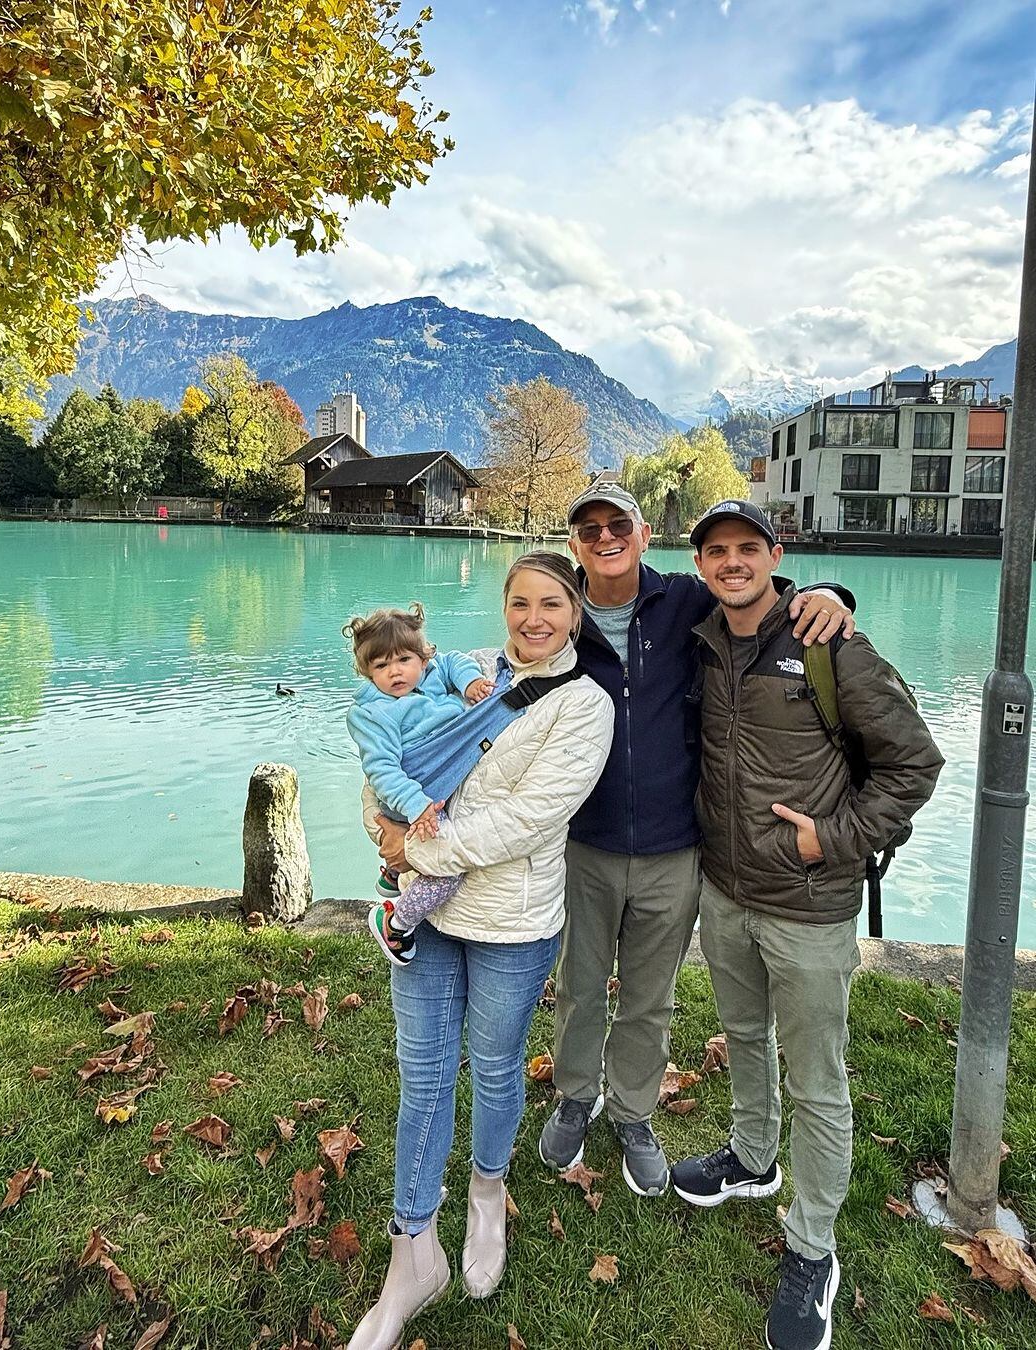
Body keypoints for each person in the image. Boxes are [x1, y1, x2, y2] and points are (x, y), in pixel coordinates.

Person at [669, 499, 943, 1350]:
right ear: (703, 565)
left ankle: (812, 1247)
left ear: (775, 555)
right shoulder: (703, 641)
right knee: (744, 1037)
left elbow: (914, 762)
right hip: (725, 890)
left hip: (811, 904)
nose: (733, 563)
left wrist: (836, 840)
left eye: (748, 548)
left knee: (818, 1082)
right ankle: (753, 1159)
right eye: (717, 552)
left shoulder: (830, 645)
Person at [539, 483, 855, 1198]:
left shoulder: (685, 602)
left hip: (676, 844)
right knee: (580, 985)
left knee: (650, 997)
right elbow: (509, 648)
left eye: (617, 523)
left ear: (644, 533)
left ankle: (633, 1113)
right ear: (574, 545)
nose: (604, 536)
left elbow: (758, 598)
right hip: (584, 841)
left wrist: (830, 592)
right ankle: (573, 1095)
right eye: (588, 529)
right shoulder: (558, 612)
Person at [347, 552, 615, 1350]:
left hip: (513, 922)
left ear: (576, 613)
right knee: (422, 1078)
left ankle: (488, 1197)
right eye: (520, 602)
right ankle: (412, 1252)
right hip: (429, 919)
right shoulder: (463, 674)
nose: (534, 619)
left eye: (553, 605)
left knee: (496, 1069)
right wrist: (382, 829)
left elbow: (528, 821)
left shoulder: (584, 705)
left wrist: (414, 855)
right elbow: (387, 762)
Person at [343, 603, 497, 964]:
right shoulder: (373, 713)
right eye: (381, 666)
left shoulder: (432, 674)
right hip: (409, 794)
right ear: (367, 672)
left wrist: (470, 682)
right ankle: (396, 922)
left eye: (403, 661)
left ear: (423, 659)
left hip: (437, 781)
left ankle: (393, 871)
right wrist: (417, 807)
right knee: (447, 865)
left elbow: (455, 660)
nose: (395, 672)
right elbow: (381, 770)